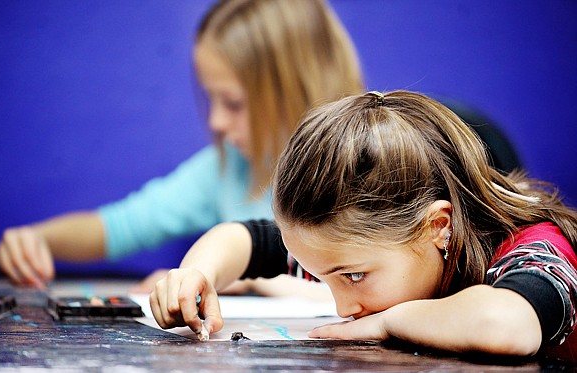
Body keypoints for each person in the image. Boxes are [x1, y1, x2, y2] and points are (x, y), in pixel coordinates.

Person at [149, 90, 577, 359]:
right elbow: (245, 239)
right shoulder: (371, 249)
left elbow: (507, 326)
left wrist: (387, 322)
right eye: (323, 276)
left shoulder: (538, 248)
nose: (342, 308)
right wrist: (196, 274)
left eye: (353, 276)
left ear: (438, 227)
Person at [0, 0, 364, 290]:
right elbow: (121, 225)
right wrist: (36, 240)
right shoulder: (229, 167)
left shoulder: (375, 166)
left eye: (234, 103)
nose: (216, 122)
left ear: (294, 87)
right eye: (212, 99)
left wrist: (245, 277)